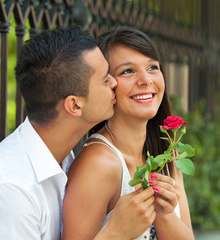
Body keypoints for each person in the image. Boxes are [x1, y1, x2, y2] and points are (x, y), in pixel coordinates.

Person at [0, 26, 157, 240]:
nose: (114, 82)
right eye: (105, 79)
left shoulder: (59, 155)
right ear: (75, 105)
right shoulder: (10, 190)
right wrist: (115, 234)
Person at [62, 26, 195, 240]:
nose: (145, 80)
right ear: (107, 84)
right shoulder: (98, 165)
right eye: (127, 71)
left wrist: (164, 213)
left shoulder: (166, 155)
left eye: (152, 67)